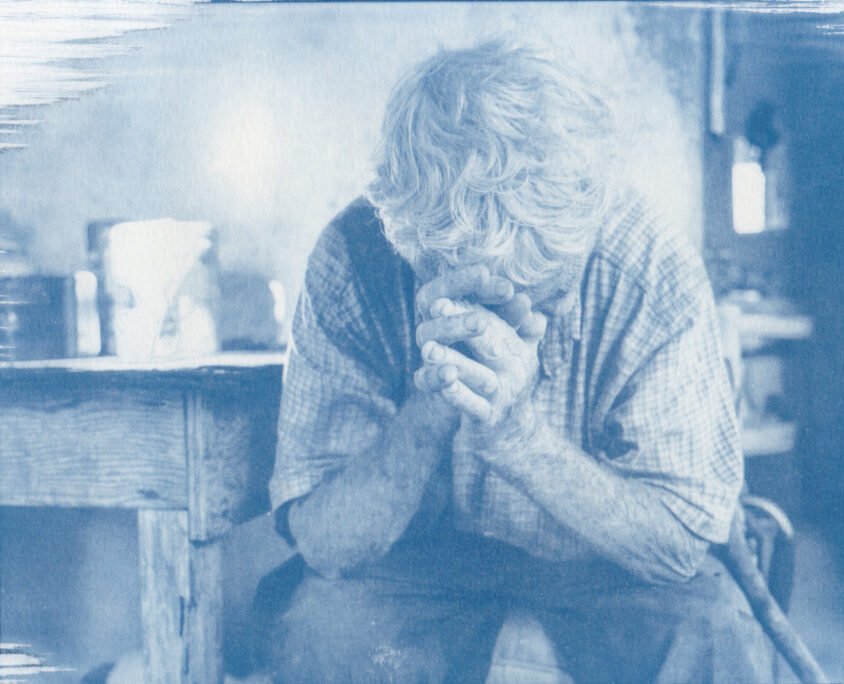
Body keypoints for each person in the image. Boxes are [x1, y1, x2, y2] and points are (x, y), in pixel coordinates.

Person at [265, 40, 772, 683]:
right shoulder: (353, 255)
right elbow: (325, 544)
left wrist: (519, 439)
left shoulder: (650, 265)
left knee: (717, 635)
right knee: (318, 633)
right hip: (419, 567)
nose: (515, 330)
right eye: (487, 304)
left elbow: (677, 546)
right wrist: (437, 394)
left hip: (603, 566)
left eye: (547, 298)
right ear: (414, 248)